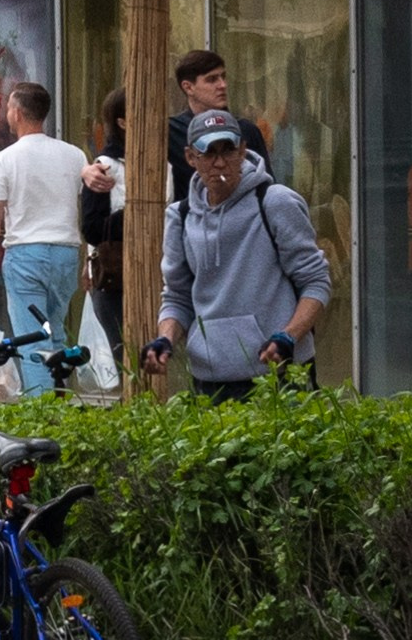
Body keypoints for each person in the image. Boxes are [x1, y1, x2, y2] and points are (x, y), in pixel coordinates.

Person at [145, 109, 330, 400]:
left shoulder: (274, 202)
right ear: (191, 157)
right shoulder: (180, 217)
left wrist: (288, 337)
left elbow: (317, 282)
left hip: (279, 373)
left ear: (243, 151)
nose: (220, 162)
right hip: (209, 379)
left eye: (228, 149)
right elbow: (177, 297)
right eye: (208, 153)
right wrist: (164, 340)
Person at [0, 80, 89, 395]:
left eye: (9, 106)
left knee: (33, 338)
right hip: (66, 252)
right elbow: (88, 208)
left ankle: (42, 414)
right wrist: (88, 260)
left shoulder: (5, 161)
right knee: (57, 334)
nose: (7, 113)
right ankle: (62, 399)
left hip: (25, 255)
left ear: (17, 113)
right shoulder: (74, 156)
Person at [169, 48, 270, 203]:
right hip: (194, 222)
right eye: (212, 79)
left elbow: (265, 183)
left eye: (223, 77)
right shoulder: (171, 132)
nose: (222, 85)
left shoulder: (246, 130)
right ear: (188, 87)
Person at [80, 85, 126, 346]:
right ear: (122, 122)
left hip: (165, 272)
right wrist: (134, 217)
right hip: (116, 278)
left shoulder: (166, 160)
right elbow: (92, 229)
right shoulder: (105, 167)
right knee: (120, 353)